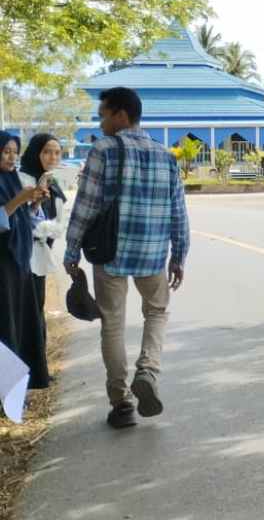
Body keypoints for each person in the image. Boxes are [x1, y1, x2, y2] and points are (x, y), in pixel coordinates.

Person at [63, 87, 189, 430]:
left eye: (103, 114)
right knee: (157, 311)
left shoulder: (103, 150)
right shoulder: (167, 156)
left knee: (113, 324)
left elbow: (85, 206)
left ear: (121, 115)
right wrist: (178, 255)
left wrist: (72, 250)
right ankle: (148, 370)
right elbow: (178, 212)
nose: (100, 122)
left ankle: (121, 404)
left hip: (110, 253)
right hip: (152, 254)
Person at [0, 132, 52, 400]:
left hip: (19, 263)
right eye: (5, 151)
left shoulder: (12, 180)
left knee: (20, 325)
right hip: (3, 267)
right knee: (5, 328)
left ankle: (17, 390)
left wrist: (34, 203)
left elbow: (25, 221)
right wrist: (20, 199)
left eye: (14, 151)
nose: (11, 157)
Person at [19, 134, 68, 371]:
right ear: (36, 152)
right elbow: (23, 223)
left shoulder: (52, 183)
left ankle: (38, 371)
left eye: (57, 152)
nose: (53, 157)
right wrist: (43, 225)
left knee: (37, 312)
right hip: (19, 257)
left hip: (39, 258)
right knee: (23, 315)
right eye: (47, 151)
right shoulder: (22, 180)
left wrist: (45, 228)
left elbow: (59, 226)